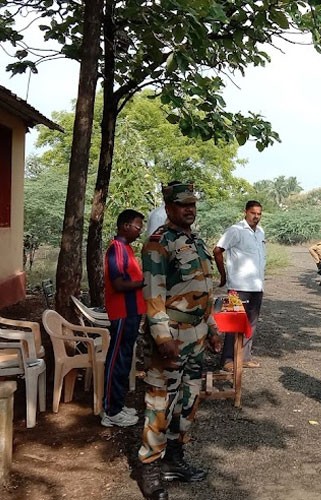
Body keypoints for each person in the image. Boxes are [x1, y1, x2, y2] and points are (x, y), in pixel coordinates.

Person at [137, 182, 223, 500]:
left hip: (197, 338)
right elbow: (154, 294)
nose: (190, 209)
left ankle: (174, 459)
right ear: (169, 207)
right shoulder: (159, 244)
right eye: (183, 204)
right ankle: (150, 468)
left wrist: (212, 328)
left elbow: (202, 292)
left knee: (188, 402)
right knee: (160, 404)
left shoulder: (195, 241)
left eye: (193, 204)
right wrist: (162, 339)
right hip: (171, 339)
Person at [101, 209, 146, 428]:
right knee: (117, 361)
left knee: (125, 361)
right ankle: (110, 410)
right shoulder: (116, 249)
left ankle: (118, 404)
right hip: (122, 313)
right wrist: (144, 283)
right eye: (138, 226)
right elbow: (119, 285)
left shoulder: (127, 249)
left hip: (132, 313)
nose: (140, 231)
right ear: (126, 225)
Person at [213, 200, 266, 371]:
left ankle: (243, 357)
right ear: (245, 212)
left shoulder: (260, 232)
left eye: (259, 214)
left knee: (251, 323)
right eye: (253, 213)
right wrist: (223, 274)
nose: (256, 216)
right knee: (233, 323)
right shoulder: (235, 231)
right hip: (238, 285)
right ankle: (228, 360)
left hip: (256, 286)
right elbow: (217, 250)